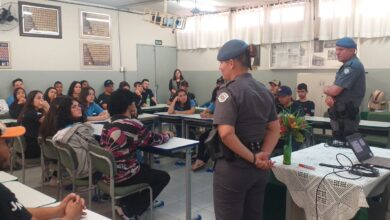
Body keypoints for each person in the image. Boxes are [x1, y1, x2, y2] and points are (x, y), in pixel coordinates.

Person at [213, 39, 280, 220]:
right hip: (259, 171)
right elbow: (275, 129)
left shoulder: (228, 92)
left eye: (221, 63)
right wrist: (262, 157)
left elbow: (226, 133)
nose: (220, 67)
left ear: (232, 63)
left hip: (235, 168)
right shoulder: (263, 90)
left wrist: (252, 158)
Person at [100, 89, 172, 219]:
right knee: (163, 177)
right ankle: (131, 210)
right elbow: (154, 139)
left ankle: (125, 202)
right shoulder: (133, 124)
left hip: (108, 173)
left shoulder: (108, 123)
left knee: (145, 169)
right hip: (123, 175)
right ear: (129, 105)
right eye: (133, 102)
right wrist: (168, 135)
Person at [0, 122, 86, 220]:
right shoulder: (2, 195)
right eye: (6, 142)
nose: (10, 148)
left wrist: (58, 210)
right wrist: (71, 217)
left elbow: (16, 212)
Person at [40, 96, 101, 180]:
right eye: (74, 107)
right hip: (88, 171)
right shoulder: (79, 130)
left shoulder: (60, 130)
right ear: (66, 111)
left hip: (71, 169)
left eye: (79, 106)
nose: (79, 108)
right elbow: (97, 150)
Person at [323, 37, 365, 142]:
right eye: (336, 49)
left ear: (352, 50)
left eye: (341, 49)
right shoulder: (346, 66)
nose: (337, 53)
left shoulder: (352, 66)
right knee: (339, 146)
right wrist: (329, 94)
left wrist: (325, 89)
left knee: (347, 149)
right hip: (340, 116)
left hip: (346, 118)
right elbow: (334, 89)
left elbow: (334, 90)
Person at [18, 91, 50, 159]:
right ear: (31, 101)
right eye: (38, 98)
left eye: (43, 98)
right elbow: (50, 121)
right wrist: (48, 108)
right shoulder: (32, 113)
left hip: (29, 147)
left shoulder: (28, 111)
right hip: (34, 149)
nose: (42, 100)